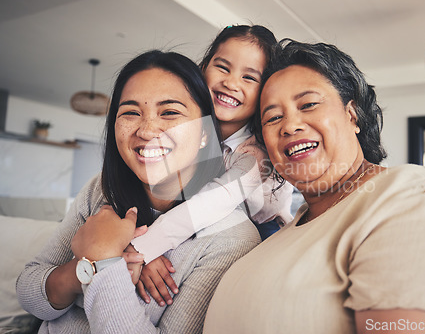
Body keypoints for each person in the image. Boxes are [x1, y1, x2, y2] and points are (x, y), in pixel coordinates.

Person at [203, 40, 425, 334]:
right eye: (273, 117)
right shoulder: (280, 229)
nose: (290, 125)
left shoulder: (407, 195)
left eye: (308, 104)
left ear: (352, 114)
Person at [16, 50, 261, 333]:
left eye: (169, 112)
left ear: (205, 131)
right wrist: (87, 268)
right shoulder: (99, 189)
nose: (146, 130)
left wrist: (104, 262)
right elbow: (29, 292)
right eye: (131, 112)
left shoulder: (231, 239)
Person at [130, 25, 294, 307]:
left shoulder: (255, 155)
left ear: (265, 93)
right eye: (223, 67)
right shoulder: (186, 127)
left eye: (249, 77)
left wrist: (141, 249)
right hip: (189, 217)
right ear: (203, 68)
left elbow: (211, 203)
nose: (232, 83)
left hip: (259, 226)